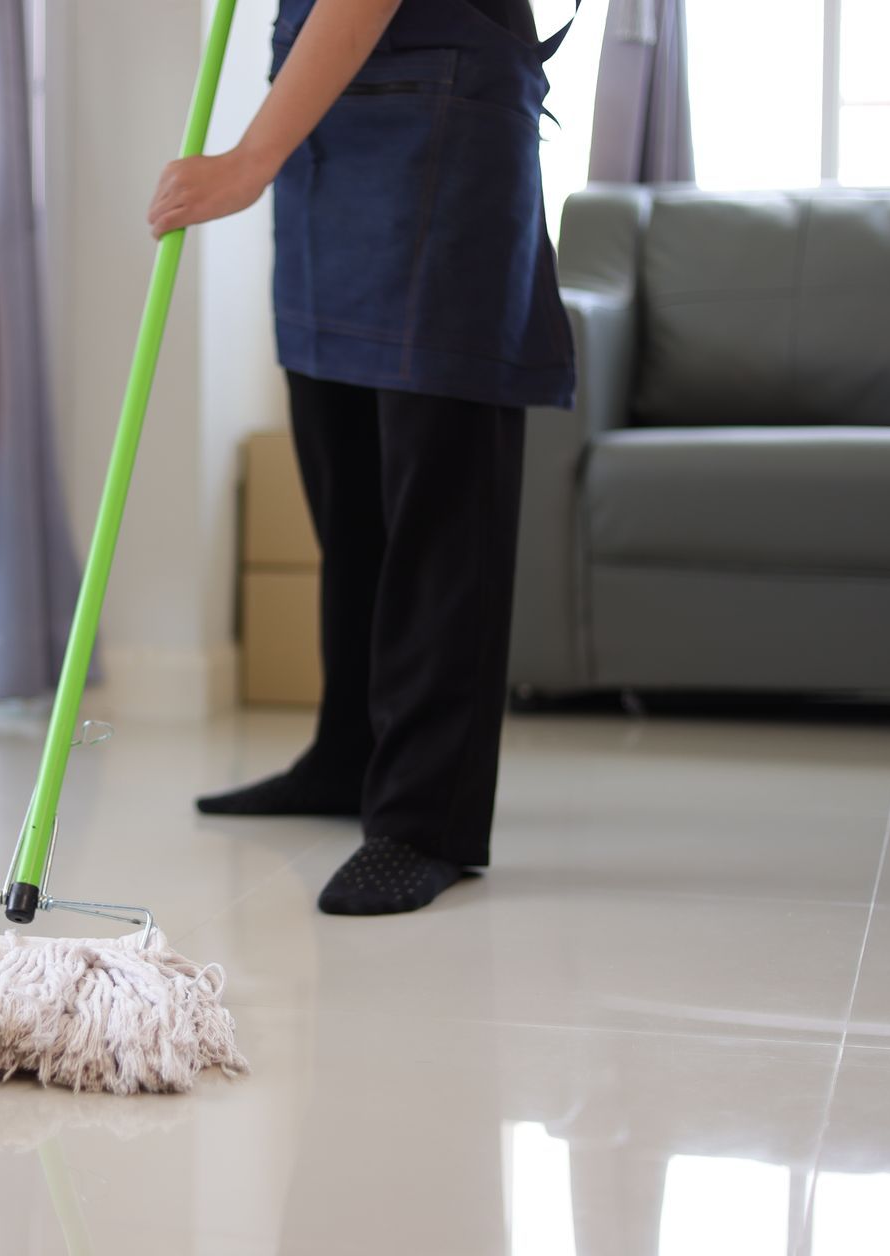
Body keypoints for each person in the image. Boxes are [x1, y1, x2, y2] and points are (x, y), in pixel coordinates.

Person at [148, 0, 578, 915]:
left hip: (442, 111)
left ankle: (426, 817)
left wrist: (248, 159)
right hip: (328, 124)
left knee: (437, 491)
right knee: (344, 474)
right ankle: (350, 752)